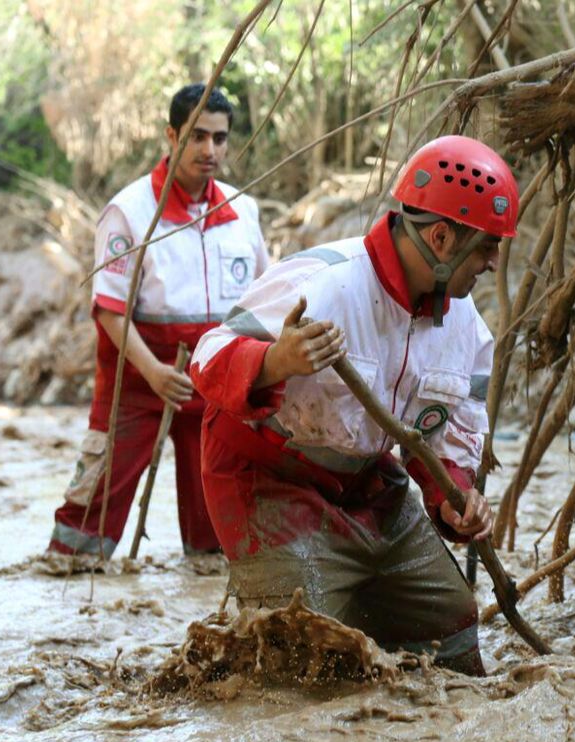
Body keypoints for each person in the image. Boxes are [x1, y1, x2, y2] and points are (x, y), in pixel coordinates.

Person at [190, 135, 518, 676]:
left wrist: (455, 501)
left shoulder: (468, 333)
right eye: (485, 247)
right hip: (267, 479)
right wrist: (277, 360)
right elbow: (208, 356)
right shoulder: (322, 281)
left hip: (365, 483)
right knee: (308, 651)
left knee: (452, 622)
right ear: (441, 237)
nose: (492, 262)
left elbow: (443, 444)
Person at [47, 84, 269, 558]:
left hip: (212, 384)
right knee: (86, 528)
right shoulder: (129, 212)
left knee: (215, 536)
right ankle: (67, 582)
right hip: (137, 379)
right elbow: (109, 308)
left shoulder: (243, 211)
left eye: (220, 138)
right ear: (172, 135)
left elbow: (263, 298)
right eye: (197, 136)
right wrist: (153, 373)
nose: (210, 150)